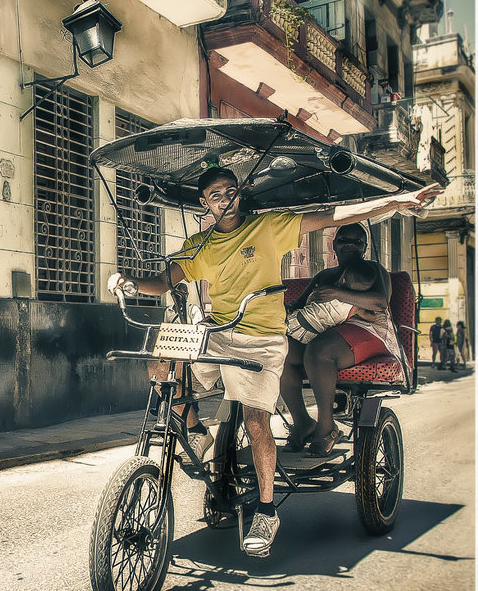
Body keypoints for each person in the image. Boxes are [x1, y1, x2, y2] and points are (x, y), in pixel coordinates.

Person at [109, 167, 440, 558]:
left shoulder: (267, 227)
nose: (226, 199)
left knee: (255, 419)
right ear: (205, 204)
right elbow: (164, 281)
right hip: (218, 329)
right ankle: (196, 432)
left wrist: (398, 201)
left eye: (231, 191)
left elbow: (335, 217)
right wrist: (129, 282)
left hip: (260, 338)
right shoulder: (199, 245)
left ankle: (266, 511)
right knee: (162, 362)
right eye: (217, 195)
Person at [279, 224, 400, 457]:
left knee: (319, 350)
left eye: (357, 241)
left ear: (364, 247)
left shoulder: (375, 269)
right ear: (334, 244)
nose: (350, 245)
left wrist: (337, 294)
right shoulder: (324, 275)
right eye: (344, 239)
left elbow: (380, 302)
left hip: (369, 330)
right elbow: (300, 304)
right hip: (324, 329)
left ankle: (326, 427)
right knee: (279, 349)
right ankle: (302, 422)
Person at [285, 258, 381, 345]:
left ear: (343, 280)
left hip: (295, 321)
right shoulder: (356, 308)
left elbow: (309, 300)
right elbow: (372, 318)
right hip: (312, 337)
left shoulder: (328, 291)